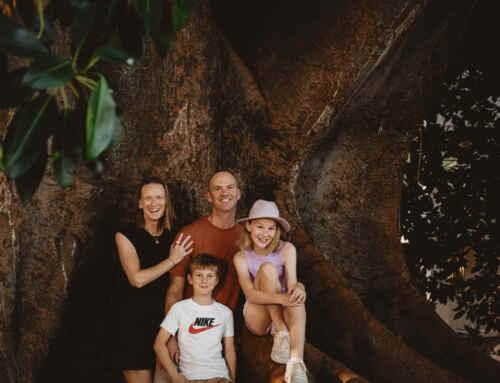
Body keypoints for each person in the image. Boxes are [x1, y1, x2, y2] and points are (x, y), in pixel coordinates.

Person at [111, 177, 193, 383]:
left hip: (166, 323)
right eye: (148, 198)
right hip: (133, 325)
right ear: (140, 203)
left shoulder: (174, 236)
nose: (154, 203)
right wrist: (172, 259)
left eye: (159, 197)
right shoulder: (125, 235)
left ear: (166, 202)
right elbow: (137, 279)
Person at [164, 171, 243, 363]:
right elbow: (175, 290)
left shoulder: (248, 236)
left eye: (230, 187)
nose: (225, 193)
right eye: (218, 188)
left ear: (238, 193)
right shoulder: (190, 234)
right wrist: (171, 336)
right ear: (208, 196)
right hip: (190, 328)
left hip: (227, 331)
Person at [233, 200, 308, 383]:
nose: (265, 234)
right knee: (267, 269)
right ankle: (281, 331)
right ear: (249, 226)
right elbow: (250, 294)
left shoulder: (287, 249)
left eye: (271, 228)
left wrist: (298, 288)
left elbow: (291, 284)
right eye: (260, 226)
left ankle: (296, 363)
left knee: (296, 299)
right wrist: (285, 299)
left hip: (284, 310)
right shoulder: (241, 257)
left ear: (277, 230)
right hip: (258, 315)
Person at [154, 253, 236, 383]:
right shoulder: (179, 309)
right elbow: (159, 344)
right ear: (190, 279)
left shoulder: (225, 312)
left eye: (210, 276)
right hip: (190, 377)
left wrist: (232, 378)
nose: (204, 281)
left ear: (216, 280)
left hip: (219, 376)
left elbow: (229, 348)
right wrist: (175, 375)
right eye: (199, 275)